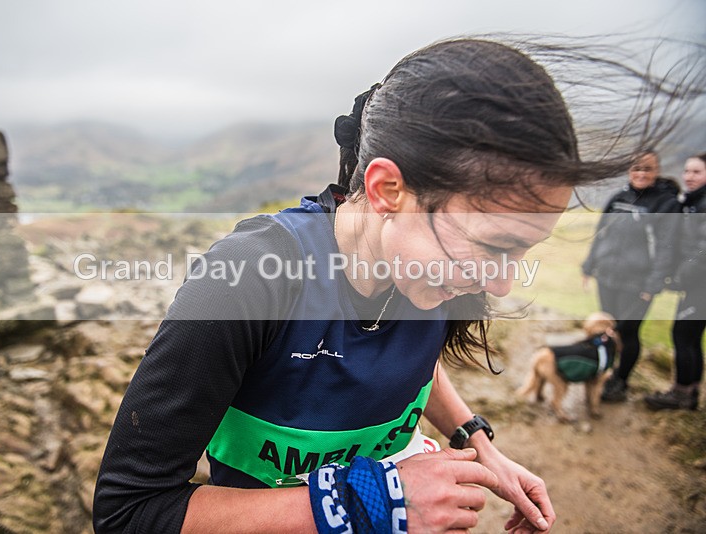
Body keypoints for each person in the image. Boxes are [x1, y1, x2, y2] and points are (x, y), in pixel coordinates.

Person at [93, 38, 695, 534]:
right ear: (386, 190)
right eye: (492, 246)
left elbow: (406, 354)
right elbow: (129, 511)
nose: (503, 285)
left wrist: (476, 443)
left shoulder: (420, 267)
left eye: (522, 252)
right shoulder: (246, 284)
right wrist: (367, 500)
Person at [581, 151, 679, 402]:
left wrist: (654, 283)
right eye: (636, 168)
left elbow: (667, 247)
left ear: (656, 172)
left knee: (629, 331)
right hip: (608, 278)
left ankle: (621, 381)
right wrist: (588, 267)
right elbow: (601, 233)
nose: (641, 174)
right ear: (629, 170)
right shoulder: (618, 198)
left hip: (638, 284)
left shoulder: (666, 204)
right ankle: (606, 372)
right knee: (610, 329)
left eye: (647, 169)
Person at [645, 153, 706, 411]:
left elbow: (702, 250)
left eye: (696, 172)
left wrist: (679, 277)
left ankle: (680, 395)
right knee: (692, 338)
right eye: (687, 171)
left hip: (700, 285)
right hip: (697, 284)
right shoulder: (694, 202)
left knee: (681, 335)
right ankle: (690, 393)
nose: (689, 177)